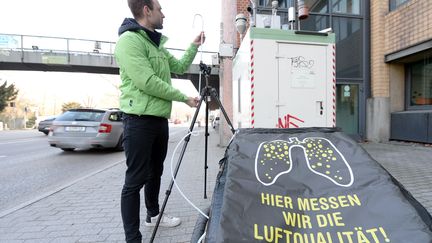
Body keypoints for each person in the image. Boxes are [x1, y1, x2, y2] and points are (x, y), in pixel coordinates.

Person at [114, 0, 205, 242]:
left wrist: (193, 46)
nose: (163, 14)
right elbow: (148, 82)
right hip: (139, 120)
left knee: (156, 171)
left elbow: (179, 66)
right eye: (160, 9)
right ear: (146, 10)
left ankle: (153, 215)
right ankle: (133, 238)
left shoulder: (156, 45)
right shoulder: (129, 41)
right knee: (135, 180)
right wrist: (184, 98)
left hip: (158, 120)